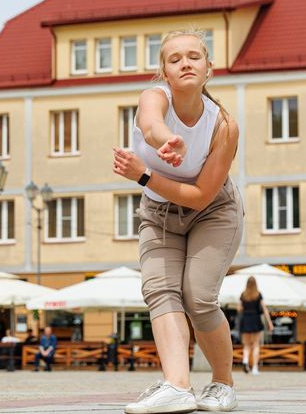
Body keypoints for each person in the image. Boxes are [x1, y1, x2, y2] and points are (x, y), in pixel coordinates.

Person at [113, 27, 243, 413]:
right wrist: (168, 140)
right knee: (160, 290)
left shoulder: (224, 125)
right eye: (175, 59)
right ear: (164, 73)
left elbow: (201, 195)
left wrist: (145, 175)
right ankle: (178, 387)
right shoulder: (153, 97)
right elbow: (152, 125)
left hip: (214, 211)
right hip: (158, 213)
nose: (185, 62)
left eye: (194, 56)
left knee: (199, 297)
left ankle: (222, 385)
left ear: (208, 69)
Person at [237, 276, 273, 375]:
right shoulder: (258, 294)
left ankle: (245, 360)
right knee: (256, 344)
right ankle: (255, 368)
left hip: (246, 319)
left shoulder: (243, 295)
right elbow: (265, 309)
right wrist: (269, 323)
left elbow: (239, 308)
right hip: (256, 319)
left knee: (247, 345)